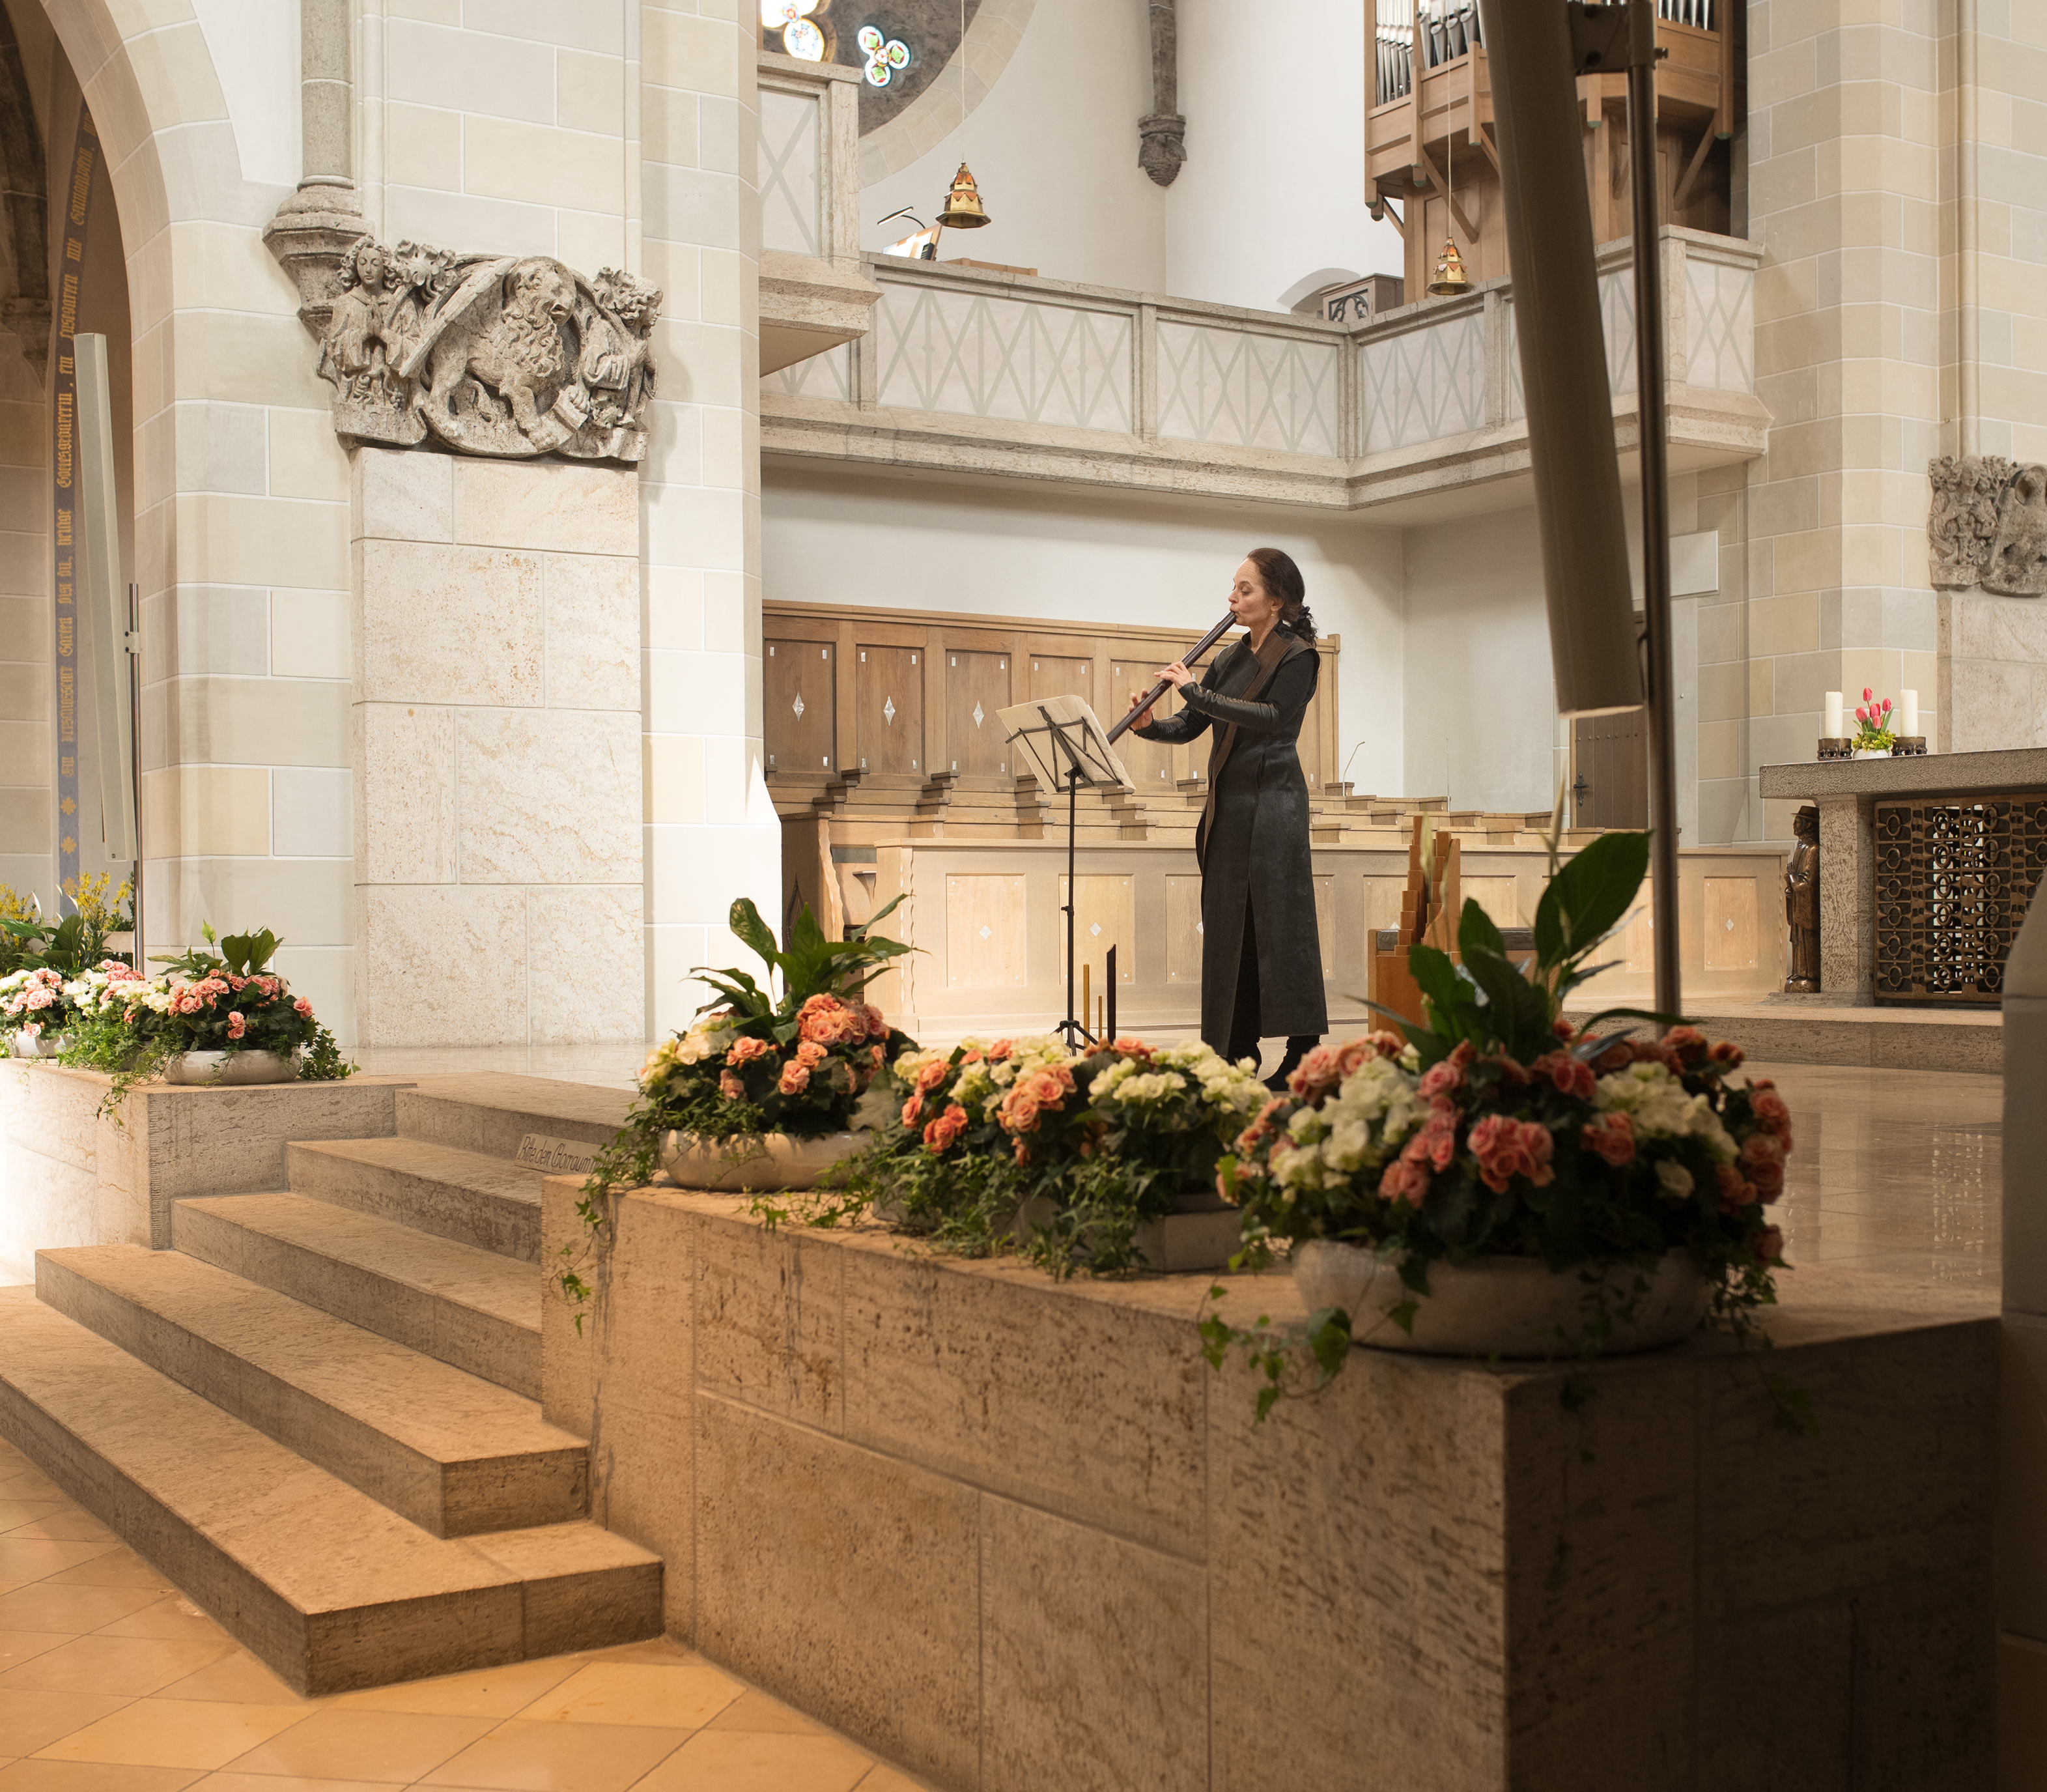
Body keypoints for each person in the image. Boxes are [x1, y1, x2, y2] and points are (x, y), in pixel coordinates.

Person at [1127, 547, 1326, 1089]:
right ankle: (1234, 1051)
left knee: (1280, 931)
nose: (1232, 598)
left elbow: (1271, 718)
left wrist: (1196, 690)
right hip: (1229, 808)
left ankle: (1302, 1050)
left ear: (1276, 600)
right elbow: (1191, 723)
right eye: (1232, 589)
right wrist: (1149, 724)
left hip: (1275, 807)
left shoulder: (1298, 656)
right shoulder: (1230, 656)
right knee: (1229, 930)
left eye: (1245, 590)